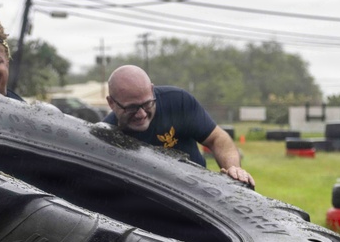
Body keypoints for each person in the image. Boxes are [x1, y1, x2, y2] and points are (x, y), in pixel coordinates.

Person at [103, 65, 254, 187]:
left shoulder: (177, 102)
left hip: (199, 191)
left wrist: (233, 169)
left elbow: (217, 138)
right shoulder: (105, 137)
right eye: (131, 108)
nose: (141, 114)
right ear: (111, 103)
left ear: (152, 90)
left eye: (147, 103)